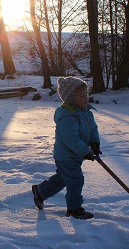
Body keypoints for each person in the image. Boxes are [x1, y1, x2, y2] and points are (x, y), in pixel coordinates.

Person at [31, 76, 101, 219]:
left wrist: (95, 143)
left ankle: (41, 192)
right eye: (81, 96)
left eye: (86, 95)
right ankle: (74, 209)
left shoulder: (86, 113)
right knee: (75, 180)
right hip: (66, 156)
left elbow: (93, 129)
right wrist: (85, 151)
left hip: (76, 155)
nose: (86, 99)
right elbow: (72, 141)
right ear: (70, 99)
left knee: (63, 179)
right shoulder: (68, 118)